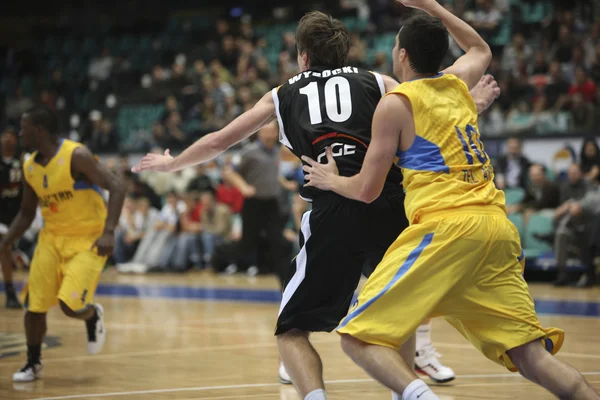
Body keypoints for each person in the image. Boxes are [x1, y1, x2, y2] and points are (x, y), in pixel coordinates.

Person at [130, 11, 499, 399]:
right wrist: (471, 104)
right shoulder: (379, 81)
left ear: (303, 56)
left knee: (291, 332)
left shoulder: (282, 94)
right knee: (399, 315)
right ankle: (404, 390)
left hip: (334, 206)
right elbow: (428, 112)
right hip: (392, 205)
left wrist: (173, 163)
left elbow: (220, 141)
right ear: (344, 51)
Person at [301, 1, 599, 399]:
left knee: (356, 337)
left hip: (446, 228)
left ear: (403, 55)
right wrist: (428, 4)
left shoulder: (396, 103)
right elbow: (481, 50)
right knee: (530, 355)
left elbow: (367, 190)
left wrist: (331, 180)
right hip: (496, 229)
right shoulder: (458, 84)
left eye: (395, 46)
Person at [0, 106, 125, 382]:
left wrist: (109, 231)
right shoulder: (29, 165)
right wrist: (6, 242)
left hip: (88, 238)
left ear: (39, 130)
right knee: (34, 305)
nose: (20, 134)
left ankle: (91, 316)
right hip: (51, 238)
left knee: (69, 305)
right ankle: (33, 363)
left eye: (24, 129)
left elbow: (117, 186)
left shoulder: (76, 155)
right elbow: (26, 212)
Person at [0, 127, 24, 308]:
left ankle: (10, 291)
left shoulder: (23, 162)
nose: (8, 139)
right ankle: (10, 292)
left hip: (16, 217)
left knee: (6, 251)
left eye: (11, 135)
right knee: (4, 249)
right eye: (5, 135)